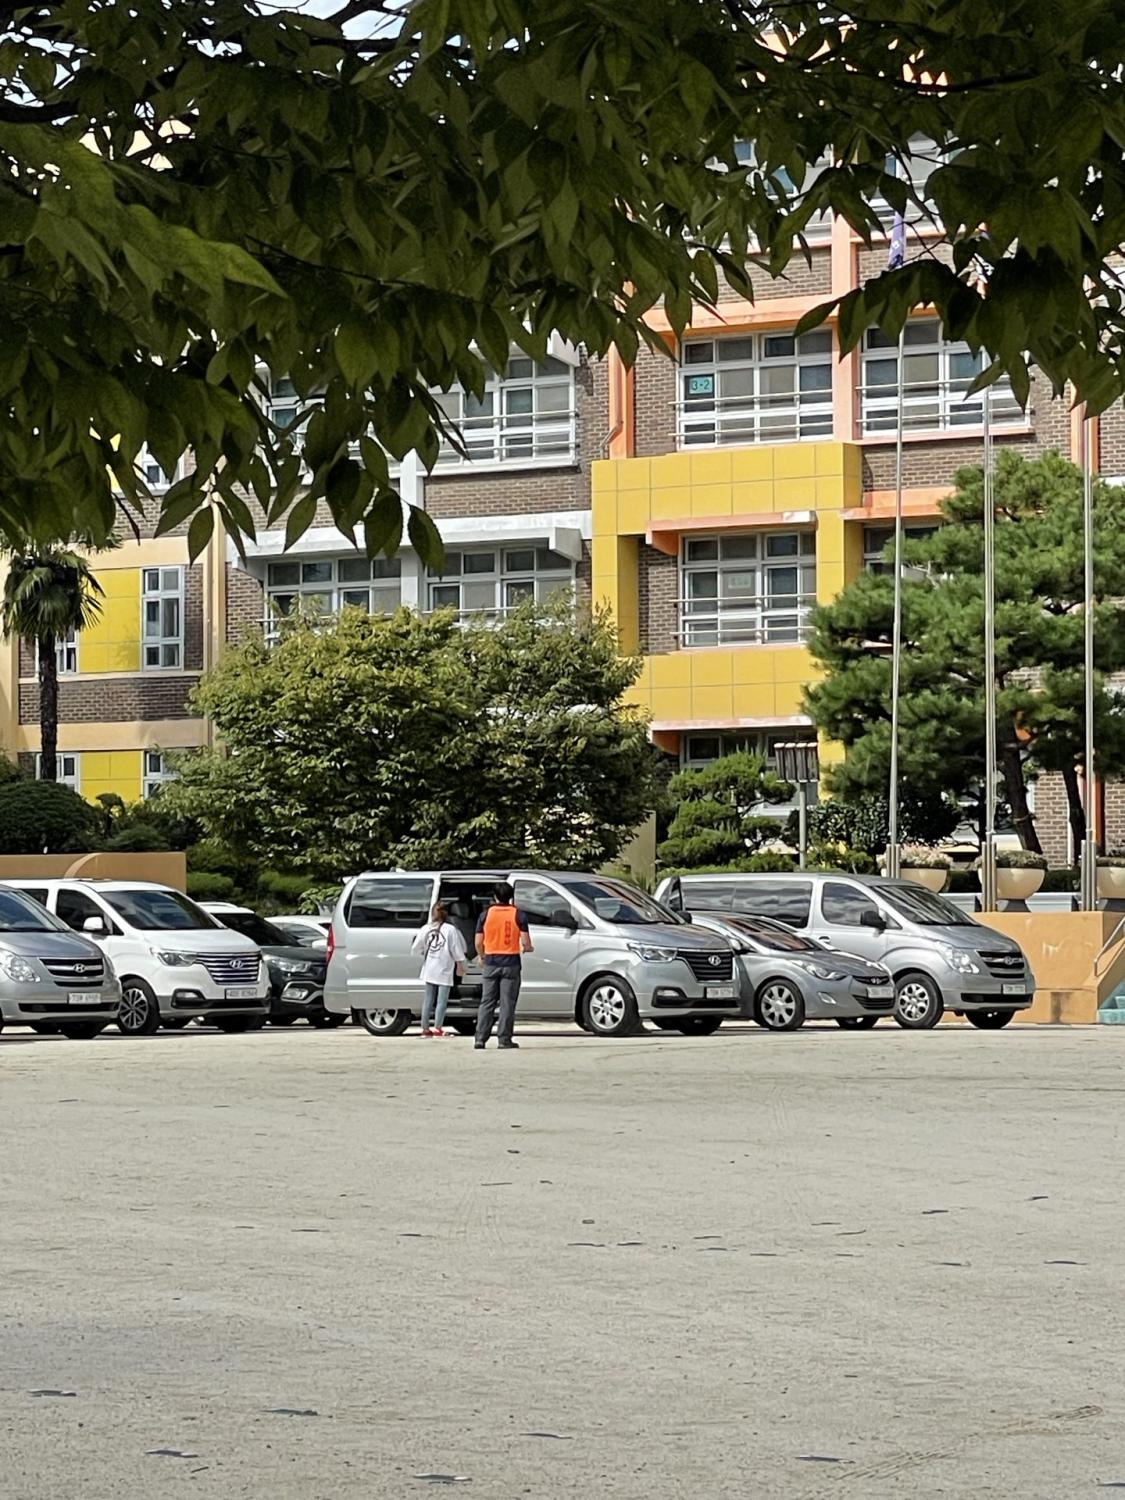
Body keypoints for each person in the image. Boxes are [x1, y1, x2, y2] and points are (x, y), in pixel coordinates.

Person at [474, 882, 533, 1050]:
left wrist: (483, 955)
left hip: (491, 962)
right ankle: (504, 1039)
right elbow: (526, 942)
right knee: (507, 1002)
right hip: (511, 963)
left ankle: (480, 1038)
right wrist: (528, 948)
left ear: (495, 897)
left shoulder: (486, 915)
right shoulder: (518, 914)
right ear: (511, 896)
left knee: (487, 1001)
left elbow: (478, 941)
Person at [411, 902, 467, 1037]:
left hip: (430, 968)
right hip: (445, 969)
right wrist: (460, 964)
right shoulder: (450, 929)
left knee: (428, 999)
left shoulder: (426, 928)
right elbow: (457, 950)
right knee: (441, 1001)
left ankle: (425, 1028)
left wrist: (425, 952)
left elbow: (415, 949)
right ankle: (438, 1027)